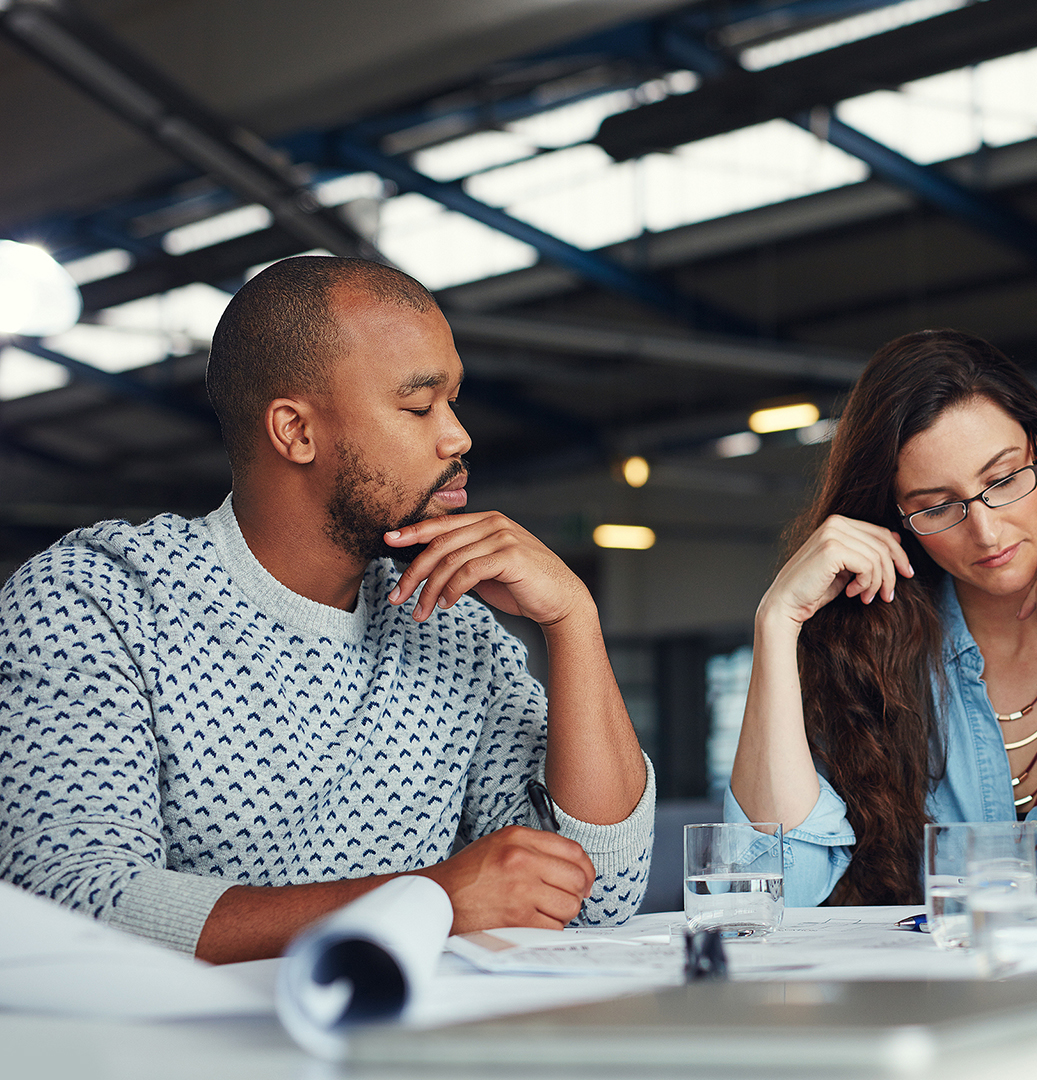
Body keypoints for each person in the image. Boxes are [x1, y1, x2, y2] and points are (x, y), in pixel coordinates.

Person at [0, 256, 654, 962]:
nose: (458, 436)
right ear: (295, 432)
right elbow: (72, 901)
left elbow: (595, 899)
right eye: (418, 406)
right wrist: (428, 901)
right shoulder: (95, 600)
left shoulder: (453, 626)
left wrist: (572, 622)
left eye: (453, 401)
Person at [726, 329, 1037, 906]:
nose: (987, 532)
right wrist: (777, 621)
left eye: (1004, 480)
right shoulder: (861, 655)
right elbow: (770, 890)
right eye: (939, 506)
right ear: (894, 519)